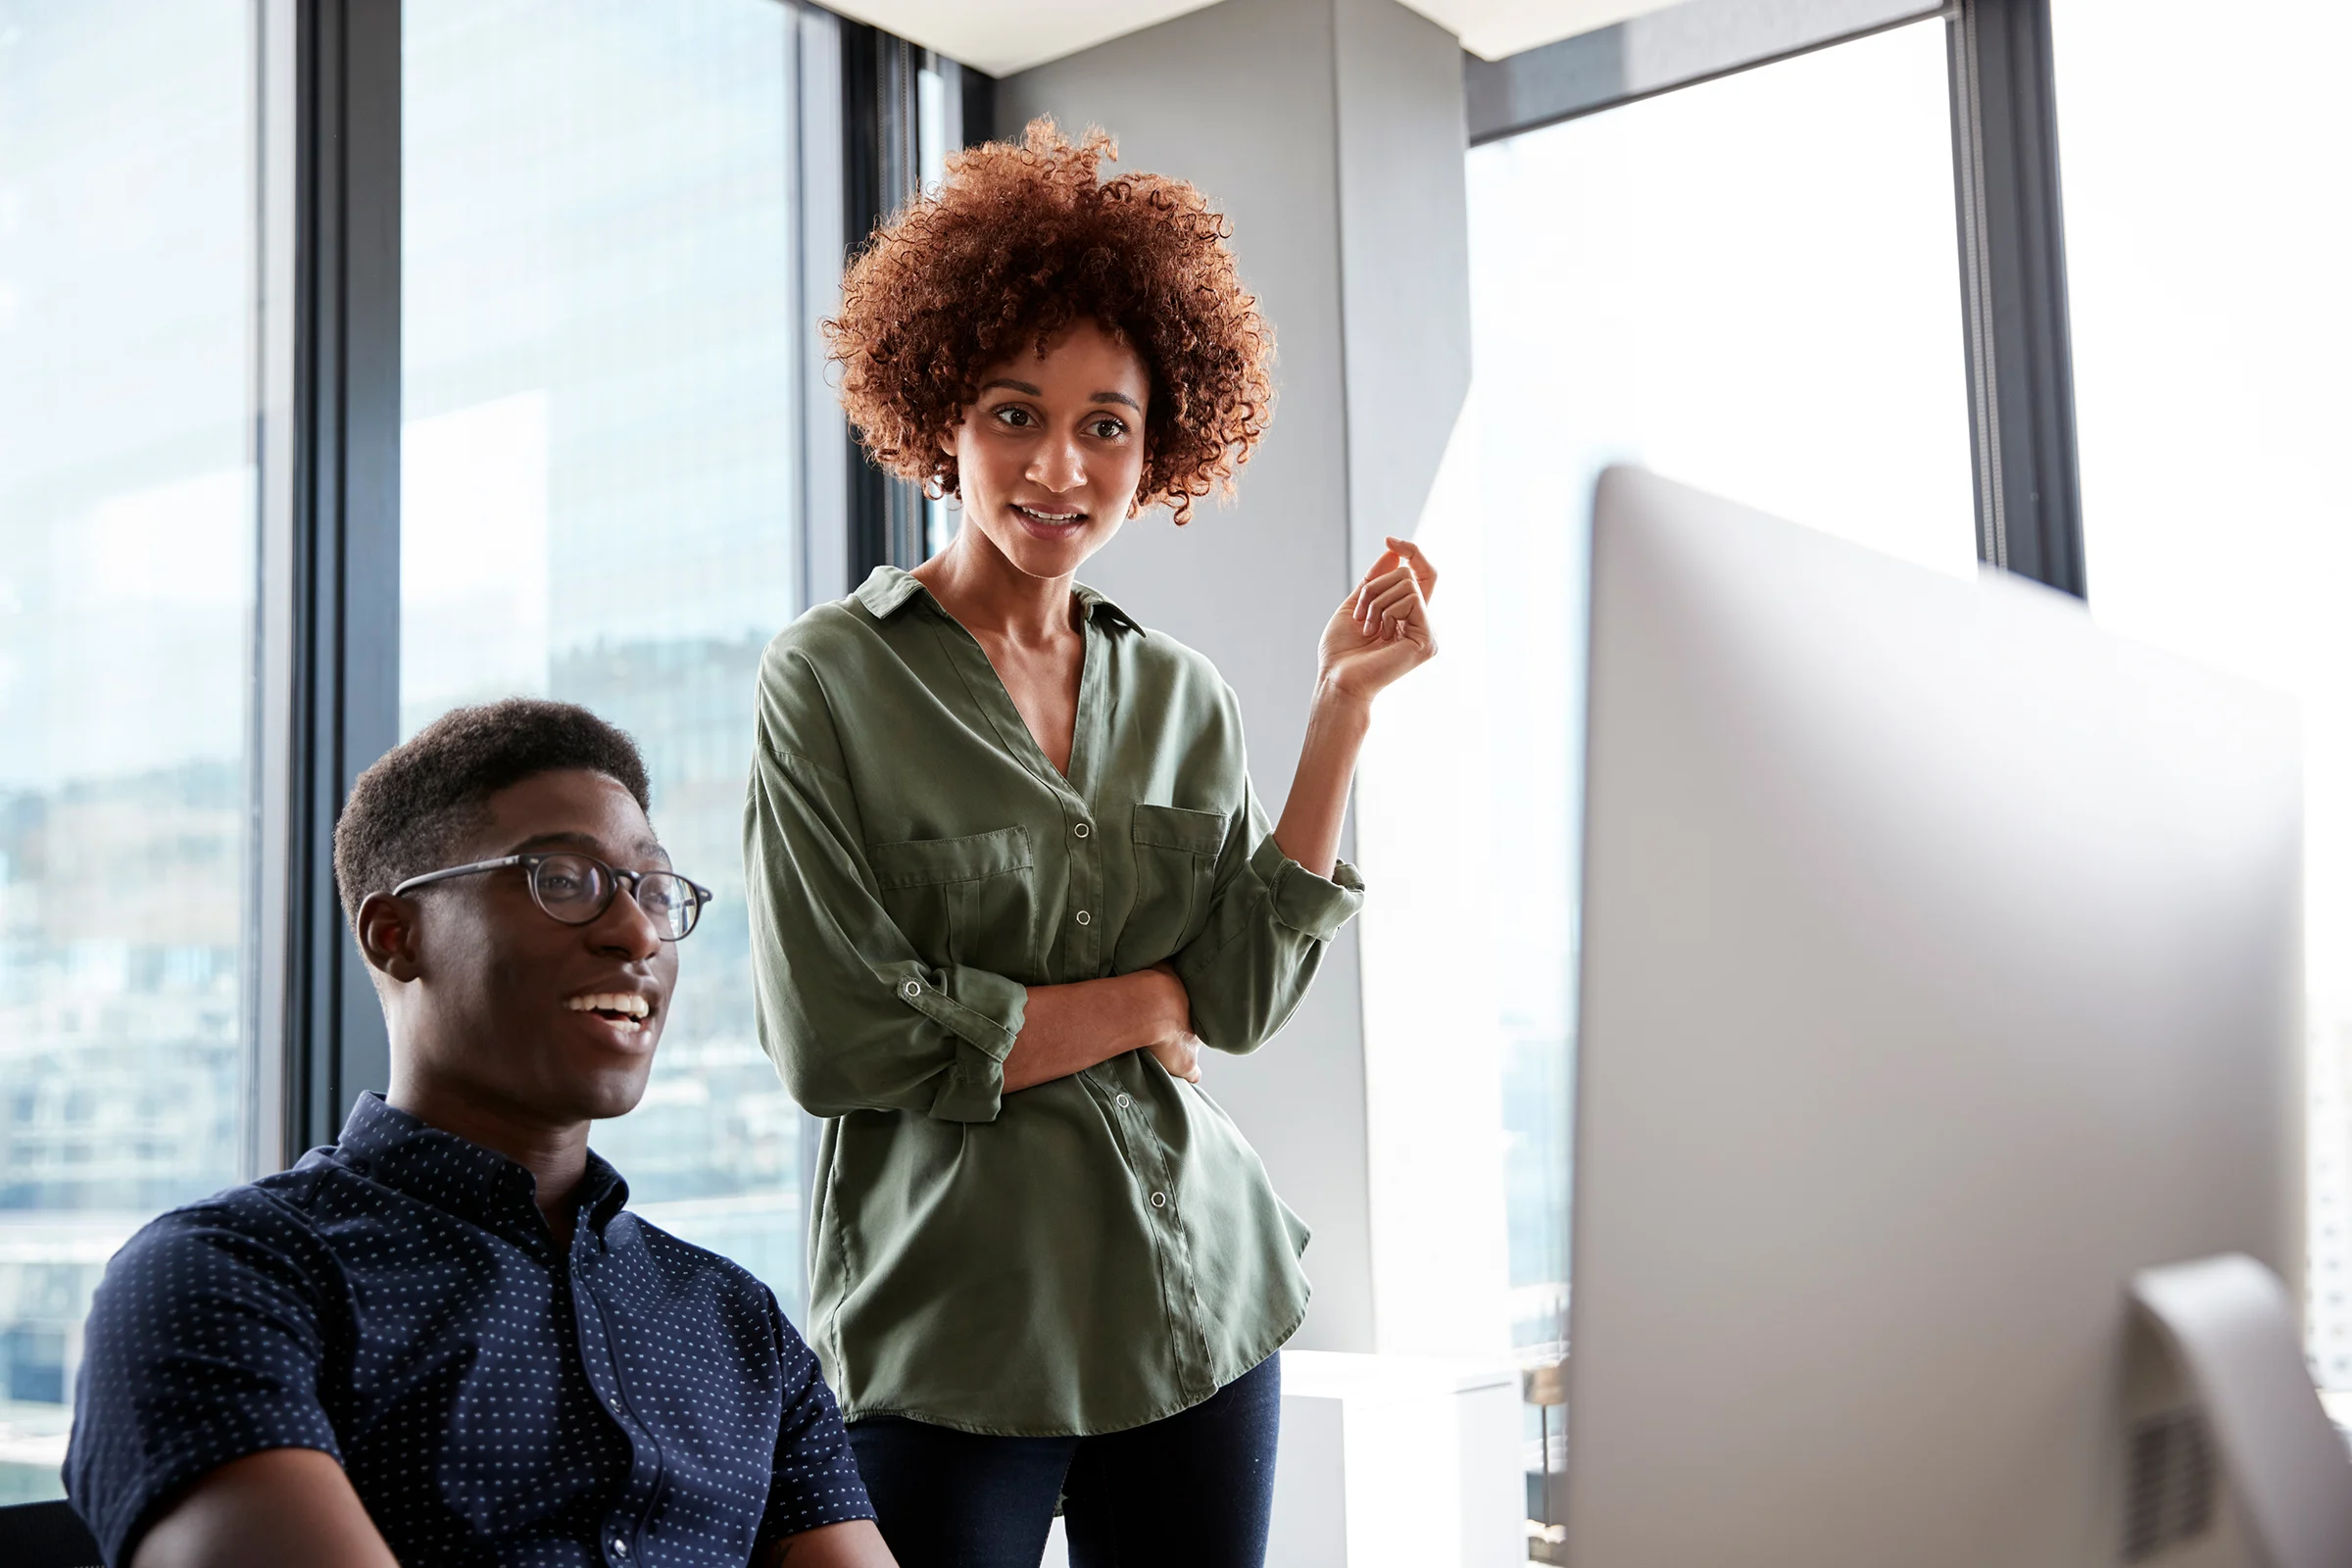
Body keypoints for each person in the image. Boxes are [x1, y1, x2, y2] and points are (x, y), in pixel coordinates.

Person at [743, 122, 1438, 1568]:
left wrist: (1338, 713)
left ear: (1161, 442)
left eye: (1106, 425)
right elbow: (839, 1042)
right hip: (953, 1340)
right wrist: (1140, 1004)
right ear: (940, 411)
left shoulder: (1182, 691)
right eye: (1015, 412)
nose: (1059, 466)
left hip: (1201, 1307)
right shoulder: (827, 679)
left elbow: (1240, 997)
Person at [66, 700, 895, 1568]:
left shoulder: (739, 1323)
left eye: (654, 890)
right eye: (565, 879)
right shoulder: (227, 1278)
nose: (637, 932)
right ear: (397, 935)